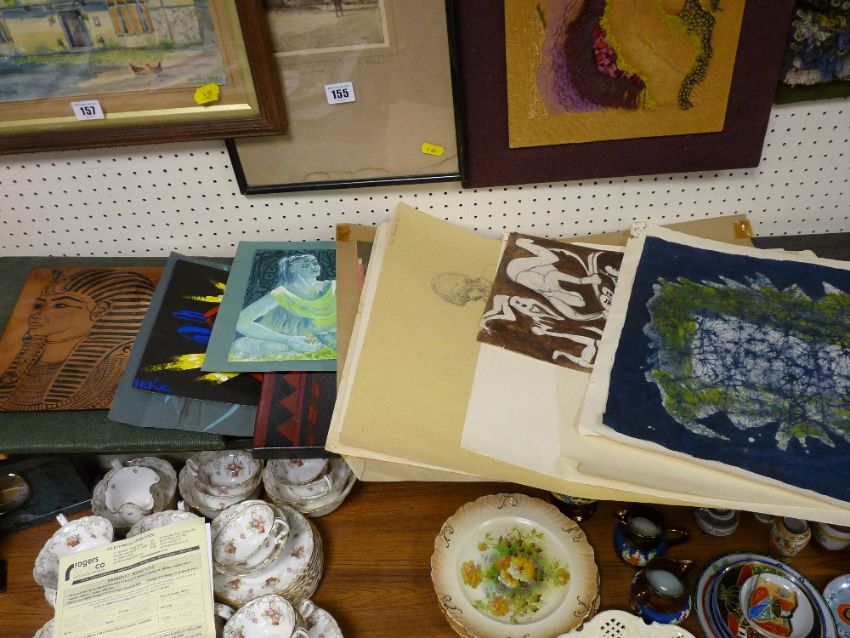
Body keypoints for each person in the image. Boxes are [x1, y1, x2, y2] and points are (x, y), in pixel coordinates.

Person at [0, 268, 156, 411]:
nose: (37, 314)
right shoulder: (23, 364)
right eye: (39, 305)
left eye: (60, 305)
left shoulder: (115, 371)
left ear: (99, 311)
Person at [229, 254, 336, 361]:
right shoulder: (282, 294)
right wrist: (288, 339)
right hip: (296, 345)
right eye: (305, 266)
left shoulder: (333, 286)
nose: (313, 267)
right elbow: (241, 322)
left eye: (315, 263)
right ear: (293, 269)